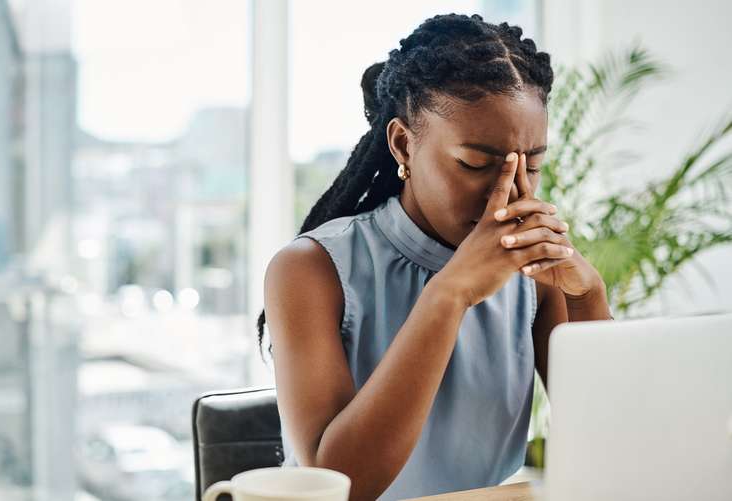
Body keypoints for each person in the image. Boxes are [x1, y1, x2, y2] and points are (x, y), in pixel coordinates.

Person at [258, 13, 612, 501]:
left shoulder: (533, 274)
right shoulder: (311, 269)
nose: (511, 194)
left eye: (533, 164)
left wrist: (588, 295)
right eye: (475, 164)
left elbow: (613, 441)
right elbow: (341, 485)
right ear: (404, 144)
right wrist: (450, 292)